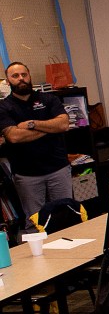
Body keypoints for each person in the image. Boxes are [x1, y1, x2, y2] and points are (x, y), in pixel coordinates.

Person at [0, 61, 73, 222]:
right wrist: (49, 127)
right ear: (8, 81)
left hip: (58, 168)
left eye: (24, 75)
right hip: (27, 175)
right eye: (15, 76)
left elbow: (63, 124)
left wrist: (33, 124)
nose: (21, 79)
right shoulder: (4, 107)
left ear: (29, 76)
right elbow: (14, 137)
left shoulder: (49, 99)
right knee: (36, 222)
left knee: (66, 216)